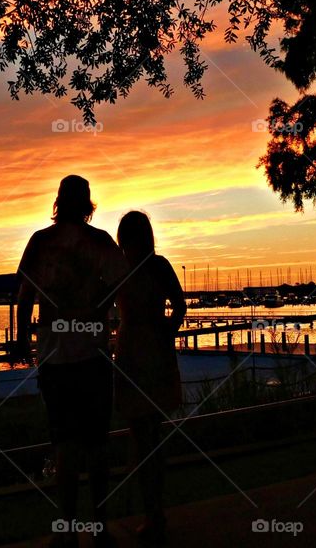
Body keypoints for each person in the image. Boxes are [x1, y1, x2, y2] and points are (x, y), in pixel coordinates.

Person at [15, 175, 127, 548]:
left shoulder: (40, 242)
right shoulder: (100, 242)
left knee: (63, 444)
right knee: (96, 445)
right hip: (93, 355)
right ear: (88, 203)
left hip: (55, 357)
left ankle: (65, 530)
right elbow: (120, 284)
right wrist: (101, 305)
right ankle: (99, 527)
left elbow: (24, 296)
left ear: (59, 201)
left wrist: (20, 341)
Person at [114, 211, 186, 545]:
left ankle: (152, 512)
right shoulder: (155, 266)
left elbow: (180, 306)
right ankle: (153, 511)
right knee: (148, 435)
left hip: (136, 350)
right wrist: (168, 330)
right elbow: (180, 307)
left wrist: (167, 330)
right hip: (145, 351)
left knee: (145, 436)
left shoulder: (127, 268)